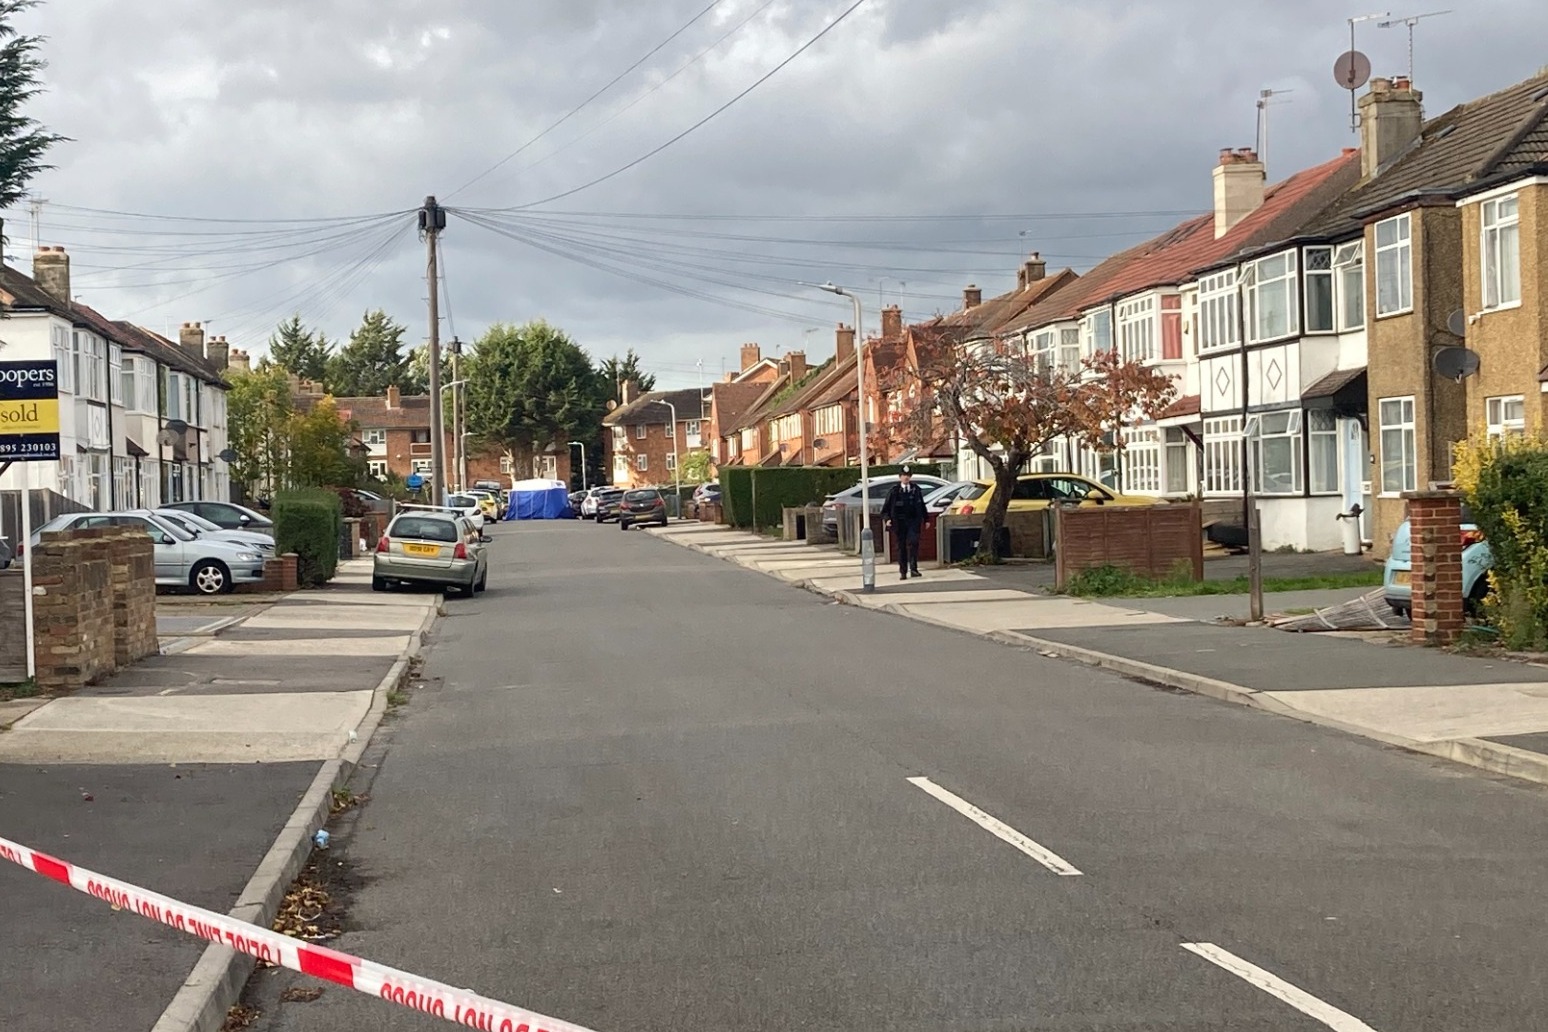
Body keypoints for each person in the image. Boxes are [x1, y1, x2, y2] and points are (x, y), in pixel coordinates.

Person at [881, 466, 927, 579]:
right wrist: (887, 519)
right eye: (904, 475)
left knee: (913, 543)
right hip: (899, 522)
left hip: (913, 521)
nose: (906, 478)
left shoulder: (916, 490)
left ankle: (914, 569)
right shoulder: (894, 491)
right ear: (900, 477)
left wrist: (926, 519)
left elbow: (921, 505)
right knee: (901, 547)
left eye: (908, 475)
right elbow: (886, 509)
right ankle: (903, 571)